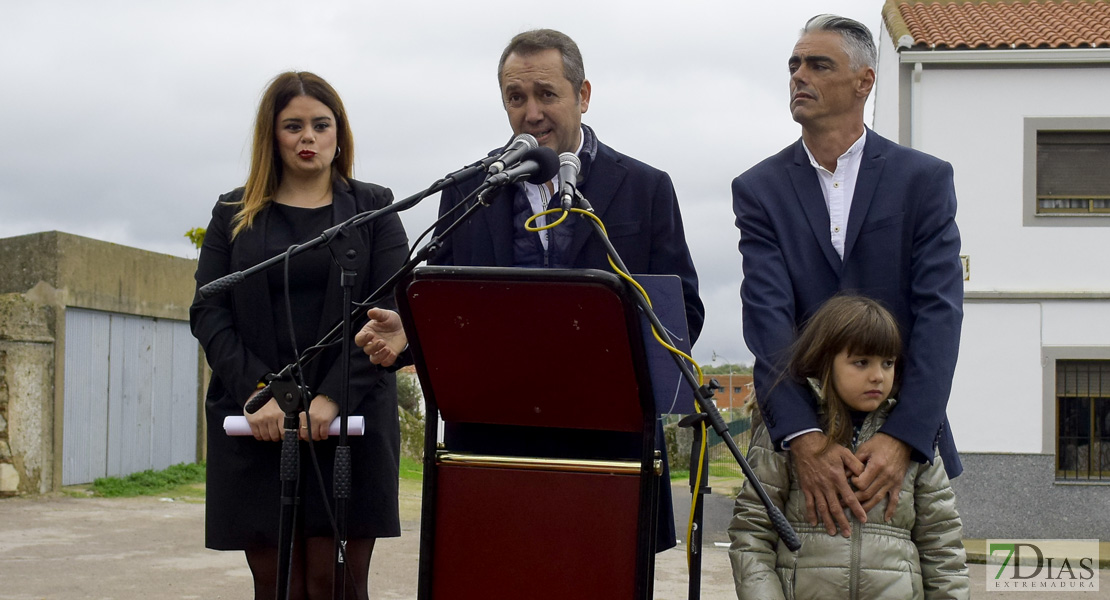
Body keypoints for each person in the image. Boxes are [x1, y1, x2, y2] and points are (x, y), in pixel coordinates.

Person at [356, 29, 704, 552]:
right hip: (492, 449)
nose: (531, 112)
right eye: (516, 98)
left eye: (546, 94)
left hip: (609, 452)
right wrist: (411, 329)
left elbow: (685, 313)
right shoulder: (467, 189)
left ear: (583, 95)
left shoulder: (644, 188)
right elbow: (442, 304)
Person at [733, 14, 964, 540]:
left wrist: (904, 435)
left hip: (899, 440)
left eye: (818, 64)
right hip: (797, 447)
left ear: (864, 82)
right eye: (793, 65)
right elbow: (767, 322)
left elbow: (940, 314)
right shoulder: (758, 189)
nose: (798, 76)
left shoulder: (923, 180)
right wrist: (804, 438)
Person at [190, 71, 409, 600]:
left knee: (336, 583)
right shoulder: (232, 213)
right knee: (278, 584)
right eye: (293, 126)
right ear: (273, 135)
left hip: (349, 421)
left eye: (320, 124)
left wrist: (333, 396)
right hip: (259, 421)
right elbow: (208, 310)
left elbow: (391, 311)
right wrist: (262, 393)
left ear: (339, 133)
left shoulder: (375, 209)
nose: (307, 137)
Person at [728, 295, 969, 600]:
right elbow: (752, 535)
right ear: (825, 359)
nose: (878, 376)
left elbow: (943, 545)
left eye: (888, 363)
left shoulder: (915, 444)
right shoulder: (788, 440)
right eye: (861, 362)